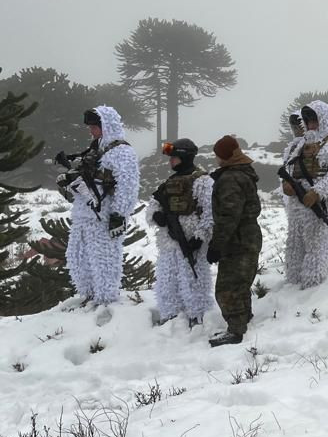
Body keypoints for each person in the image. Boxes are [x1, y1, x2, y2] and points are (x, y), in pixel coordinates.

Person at [60, 106, 140, 307]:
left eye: (95, 126)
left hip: (104, 216)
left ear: (107, 125)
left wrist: (119, 215)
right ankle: (88, 295)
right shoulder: (93, 150)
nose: (91, 130)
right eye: (90, 126)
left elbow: (128, 186)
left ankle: (106, 301)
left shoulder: (122, 152)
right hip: (83, 212)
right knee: (76, 255)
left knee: (103, 259)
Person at [282, 101, 328, 289]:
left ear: (324, 120)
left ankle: (313, 290)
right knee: (294, 246)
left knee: (316, 249)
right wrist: (286, 185)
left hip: (321, 206)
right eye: (308, 120)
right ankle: (291, 286)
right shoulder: (299, 145)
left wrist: (317, 192)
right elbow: (288, 167)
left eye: (315, 120)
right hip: (296, 205)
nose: (311, 124)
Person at [149, 138, 214, 327]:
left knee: (194, 280)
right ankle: (171, 316)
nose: (171, 161)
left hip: (191, 242)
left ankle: (198, 316)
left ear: (185, 157)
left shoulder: (203, 181)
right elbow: (154, 204)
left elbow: (210, 212)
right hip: (169, 242)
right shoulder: (169, 182)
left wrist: (200, 237)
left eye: (174, 157)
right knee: (167, 280)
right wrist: (156, 216)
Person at [207, 135, 262, 347]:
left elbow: (229, 217)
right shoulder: (243, 173)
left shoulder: (230, 179)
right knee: (240, 284)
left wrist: (217, 245)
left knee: (226, 288)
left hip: (237, 240)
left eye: (218, 155)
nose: (216, 159)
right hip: (249, 236)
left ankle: (236, 330)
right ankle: (244, 318)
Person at [281, 111, 305, 286]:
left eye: (299, 126)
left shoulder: (315, 144)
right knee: (294, 242)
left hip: (309, 201)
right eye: (294, 127)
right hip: (293, 201)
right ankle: (293, 278)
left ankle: (311, 281)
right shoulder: (290, 148)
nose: (296, 130)